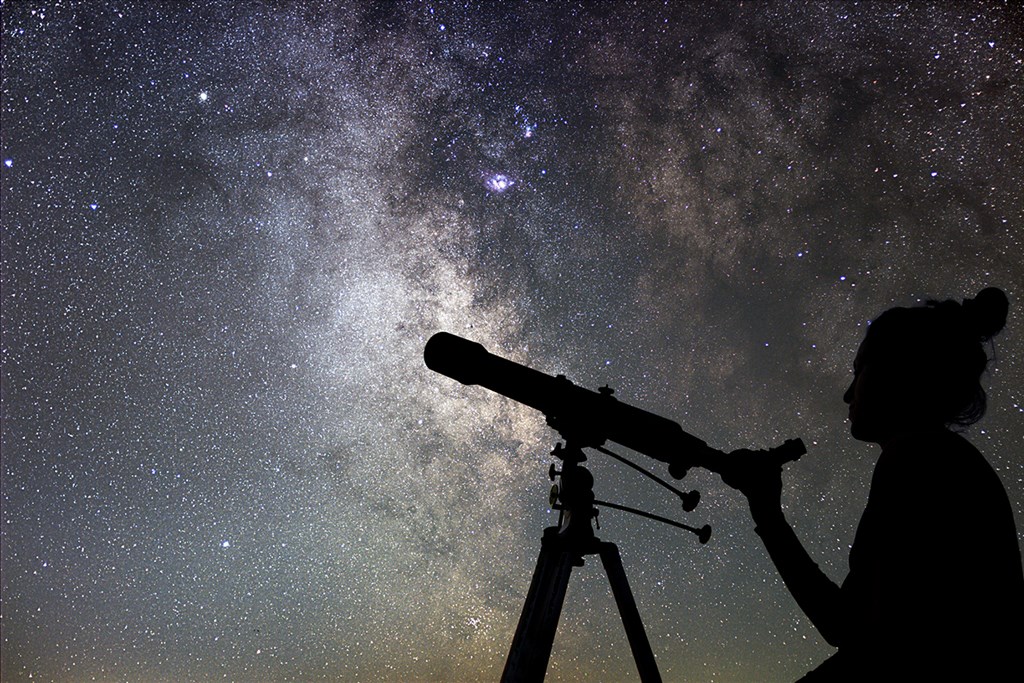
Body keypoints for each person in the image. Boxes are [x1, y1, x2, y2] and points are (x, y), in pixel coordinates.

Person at [721, 287, 1023, 681]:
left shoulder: (916, 458)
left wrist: (766, 512)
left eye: (859, 369)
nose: (848, 393)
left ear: (899, 370)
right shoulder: (942, 458)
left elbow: (848, 626)